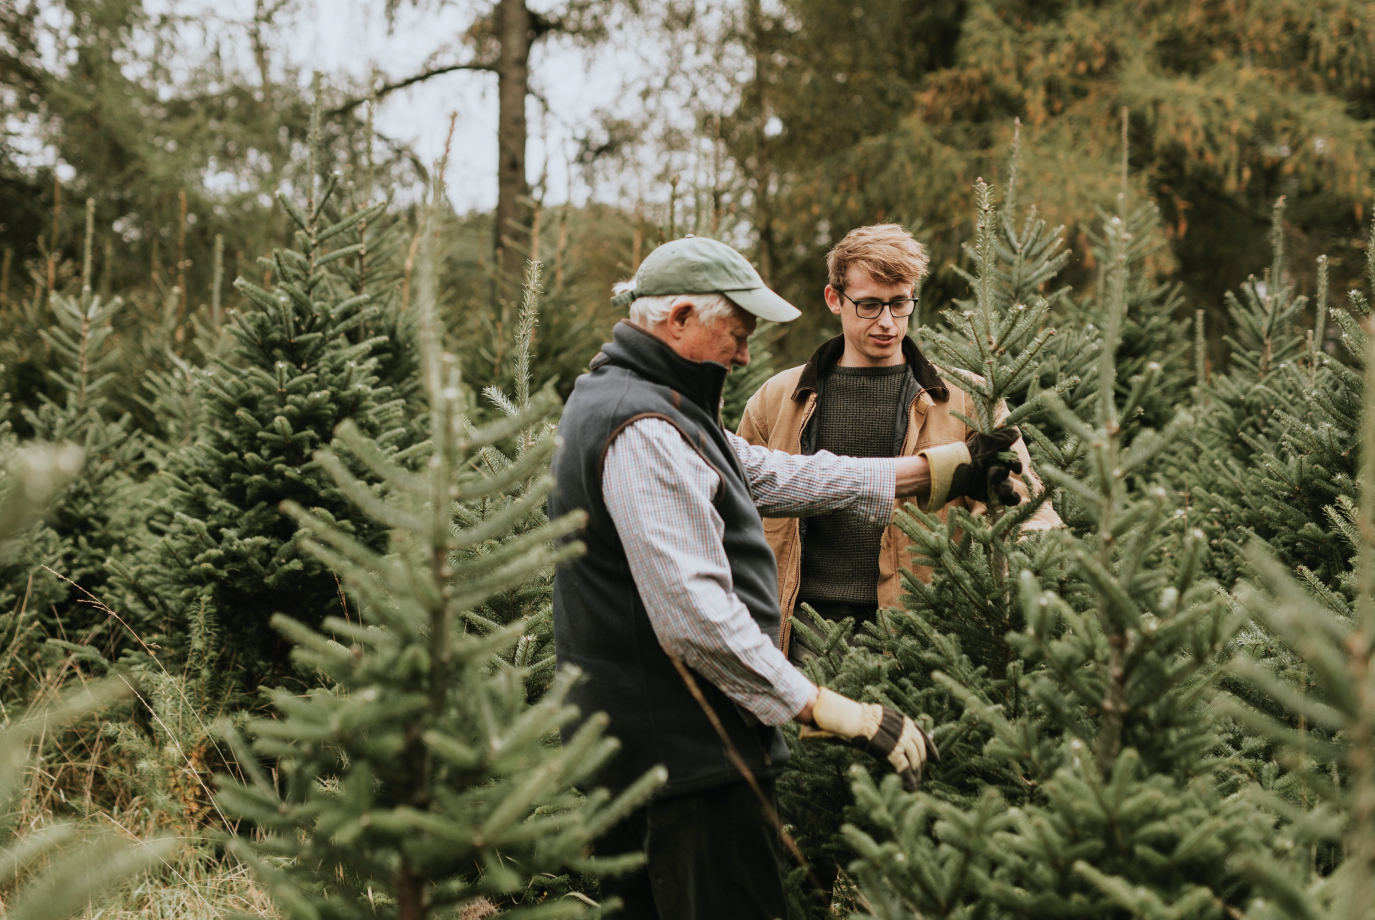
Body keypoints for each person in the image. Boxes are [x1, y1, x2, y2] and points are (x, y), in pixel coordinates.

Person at [548, 237, 1011, 920]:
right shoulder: (644, 426)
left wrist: (936, 471)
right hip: (684, 760)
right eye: (736, 335)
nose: (743, 355)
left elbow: (778, 474)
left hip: (655, 751)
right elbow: (694, 616)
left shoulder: (648, 404)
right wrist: (820, 705)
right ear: (679, 318)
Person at [737, 223, 1062, 662]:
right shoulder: (777, 399)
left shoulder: (968, 397)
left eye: (900, 303)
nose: (887, 322)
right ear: (834, 299)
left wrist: (1033, 571)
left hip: (920, 631)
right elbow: (737, 516)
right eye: (869, 305)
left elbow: (1025, 505)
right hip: (801, 633)